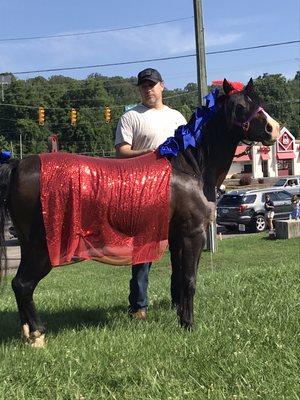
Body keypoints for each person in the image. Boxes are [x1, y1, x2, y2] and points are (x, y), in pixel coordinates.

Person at [115, 67, 187, 320]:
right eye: (144, 86)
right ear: (139, 89)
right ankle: (139, 306)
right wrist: (151, 153)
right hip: (144, 191)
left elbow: (188, 151)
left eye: (152, 84)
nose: (148, 89)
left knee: (179, 248)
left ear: (162, 86)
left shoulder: (177, 117)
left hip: (177, 192)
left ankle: (178, 300)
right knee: (144, 251)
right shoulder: (131, 117)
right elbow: (121, 152)